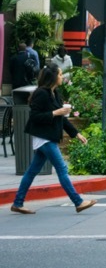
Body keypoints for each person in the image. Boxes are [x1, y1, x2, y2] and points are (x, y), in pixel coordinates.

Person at [10, 63, 96, 214]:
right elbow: (35, 116)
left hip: (48, 137)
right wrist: (56, 112)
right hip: (44, 138)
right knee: (62, 168)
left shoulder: (55, 93)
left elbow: (62, 119)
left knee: (31, 171)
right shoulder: (41, 93)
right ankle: (78, 202)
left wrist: (76, 134)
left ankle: (17, 203)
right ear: (53, 77)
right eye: (61, 74)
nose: (62, 77)